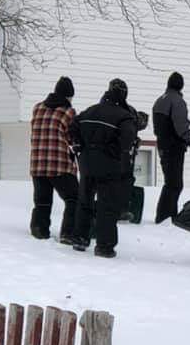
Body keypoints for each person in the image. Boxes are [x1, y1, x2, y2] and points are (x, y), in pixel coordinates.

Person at [69, 79, 137, 258]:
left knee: (85, 200)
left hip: (86, 163)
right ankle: (104, 246)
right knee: (107, 205)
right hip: (109, 166)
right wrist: (114, 151)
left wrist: (79, 145)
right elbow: (128, 138)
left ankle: (80, 238)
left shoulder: (90, 111)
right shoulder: (124, 116)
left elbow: (72, 127)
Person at [29, 76, 78, 244]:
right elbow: (72, 138)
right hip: (59, 165)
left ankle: (39, 230)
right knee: (74, 199)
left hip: (37, 164)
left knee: (42, 201)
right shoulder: (68, 112)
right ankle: (68, 233)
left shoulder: (37, 108)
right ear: (68, 96)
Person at [152, 72, 190, 224]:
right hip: (173, 147)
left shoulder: (160, 100)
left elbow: (158, 128)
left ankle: (166, 215)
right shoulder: (177, 101)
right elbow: (181, 126)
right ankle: (165, 217)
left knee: (171, 182)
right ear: (181, 85)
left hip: (163, 145)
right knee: (174, 184)